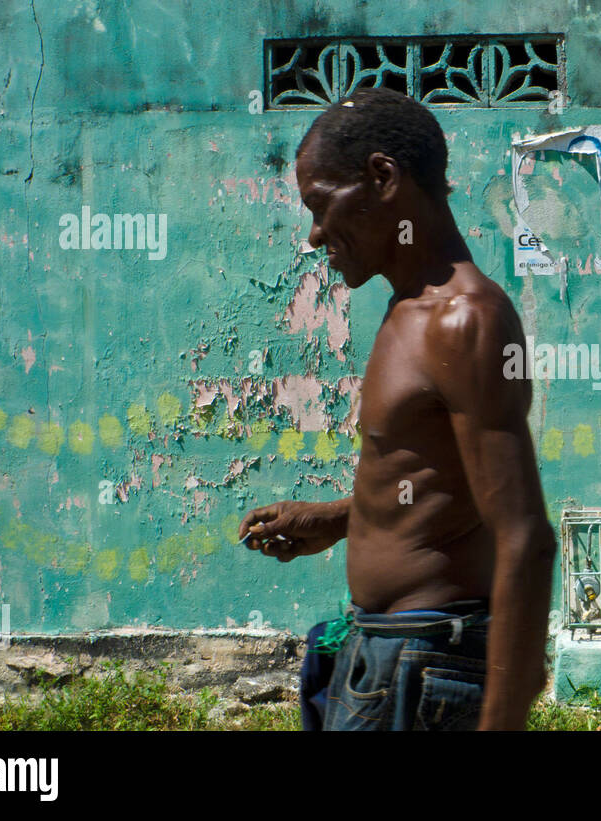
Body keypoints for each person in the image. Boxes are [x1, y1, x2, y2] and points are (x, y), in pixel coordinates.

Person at [238, 87, 556, 731]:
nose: (315, 233)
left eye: (322, 205)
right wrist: (337, 519)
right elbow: (450, 485)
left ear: (382, 177)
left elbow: (525, 536)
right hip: (388, 654)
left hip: (426, 663)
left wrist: (504, 721)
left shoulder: (464, 320)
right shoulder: (407, 308)